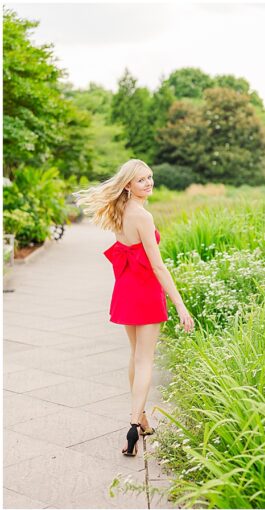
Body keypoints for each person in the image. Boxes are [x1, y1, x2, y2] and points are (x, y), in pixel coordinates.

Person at [75, 159, 194, 457]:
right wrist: (180, 304)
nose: (149, 182)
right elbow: (158, 266)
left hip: (126, 291)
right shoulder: (142, 215)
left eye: (150, 177)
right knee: (145, 360)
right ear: (128, 184)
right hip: (145, 293)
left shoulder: (120, 211)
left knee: (135, 356)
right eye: (142, 180)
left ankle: (141, 418)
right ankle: (132, 424)